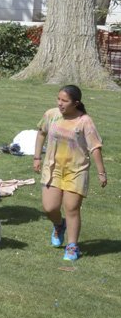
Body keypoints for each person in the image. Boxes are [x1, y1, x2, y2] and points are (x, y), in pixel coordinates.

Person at [35, 85, 106, 262]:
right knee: (50, 208)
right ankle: (59, 225)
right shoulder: (51, 115)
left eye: (64, 101)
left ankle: (72, 246)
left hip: (76, 170)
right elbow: (41, 132)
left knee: (71, 208)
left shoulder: (84, 121)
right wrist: (37, 157)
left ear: (76, 103)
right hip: (53, 168)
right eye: (58, 99)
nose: (60, 103)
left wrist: (101, 172)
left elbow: (95, 147)